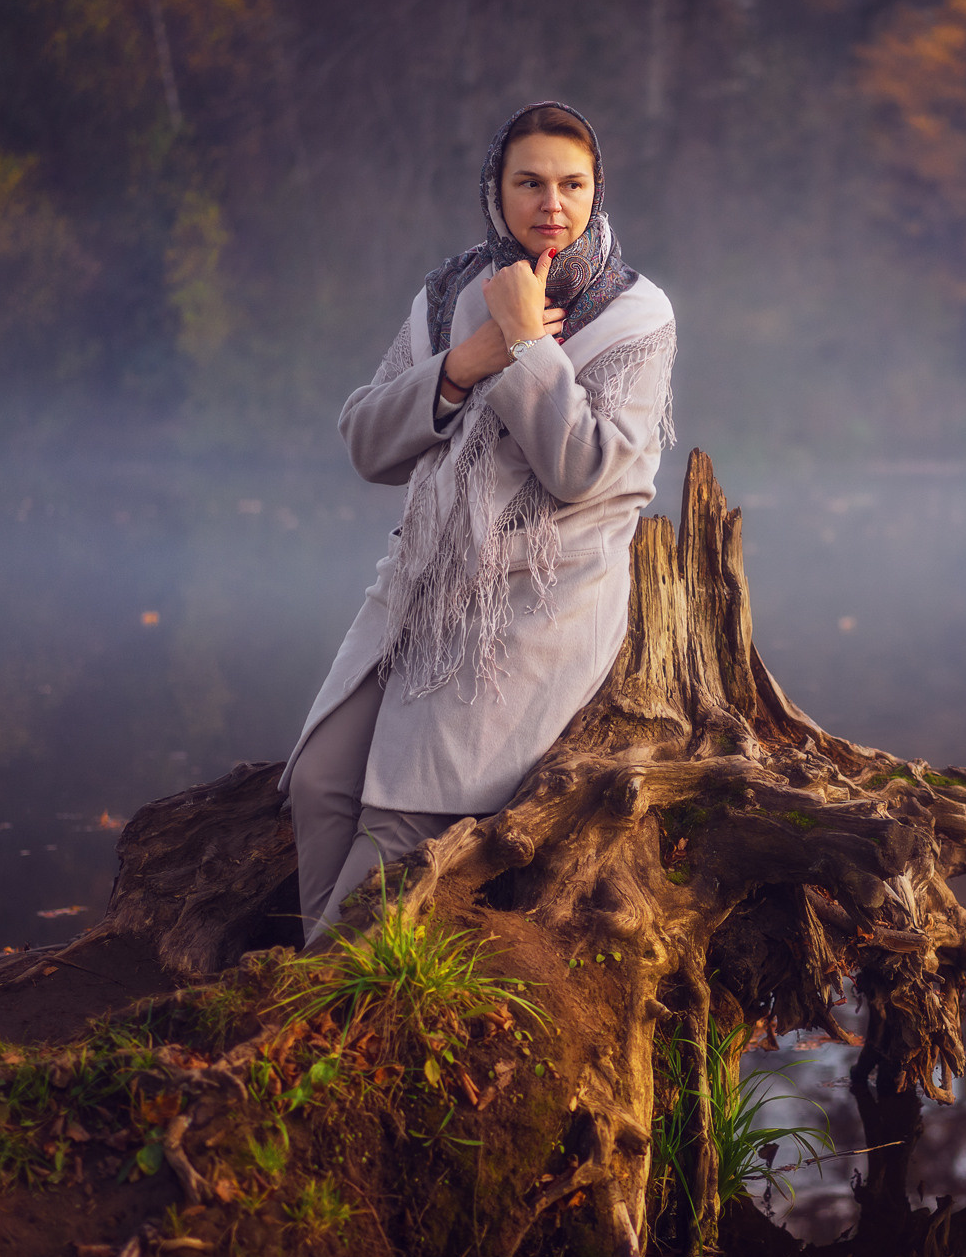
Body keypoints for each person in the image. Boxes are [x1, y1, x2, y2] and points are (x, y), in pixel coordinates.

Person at [279, 102, 676, 943]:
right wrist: (463, 364)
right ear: (496, 191)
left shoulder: (638, 315)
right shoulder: (449, 292)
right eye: (529, 182)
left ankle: (316, 1001)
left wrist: (530, 344)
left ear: (597, 191)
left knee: (401, 820)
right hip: (418, 588)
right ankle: (333, 993)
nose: (551, 204)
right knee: (318, 780)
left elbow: (585, 471)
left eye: (573, 184)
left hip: (531, 611)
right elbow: (366, 440)